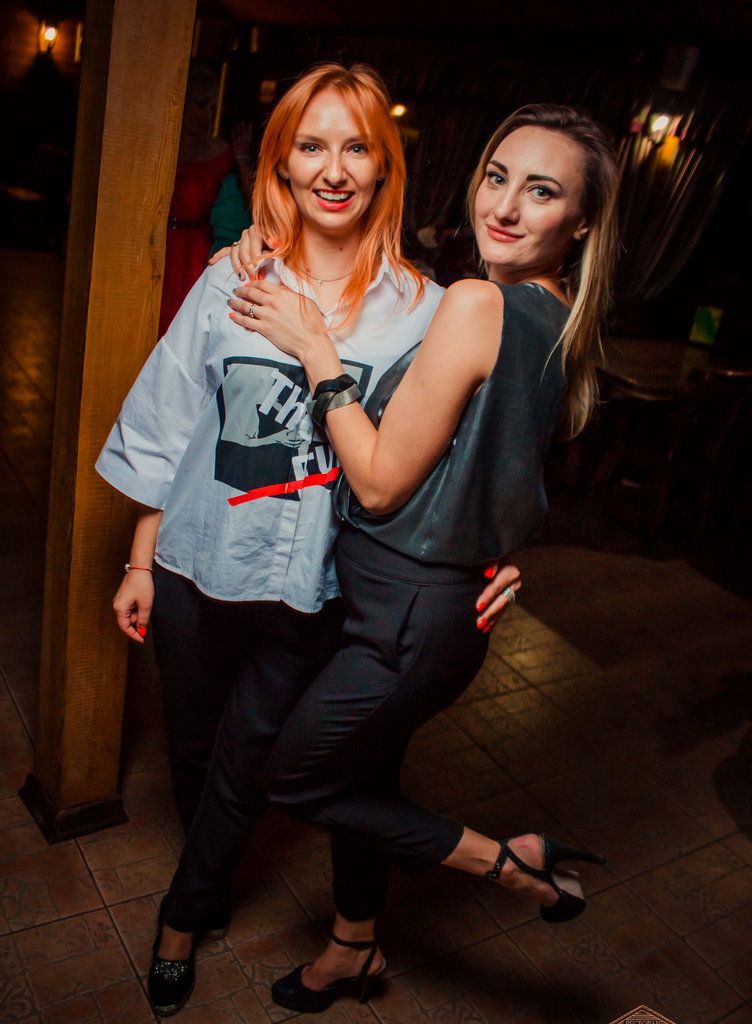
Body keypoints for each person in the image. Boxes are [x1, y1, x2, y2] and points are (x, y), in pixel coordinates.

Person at [95, 62, 518, 1017]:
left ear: (384, 167)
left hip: (312, 587)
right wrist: (139, 559)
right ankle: (203, 884)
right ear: (281, 164)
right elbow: (171, 423)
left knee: (246, 759)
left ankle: (179, 920)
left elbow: (461, 458)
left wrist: (498, 553)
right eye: (311, 146)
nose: (334, 169)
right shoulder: (232, 276)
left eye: (356, 147)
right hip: (194, 565)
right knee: (194, 750)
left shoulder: (426, 310)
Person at [222, 101, 619, 1013]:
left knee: (295, 777)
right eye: (497, 177)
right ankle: (351, 949)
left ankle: (509, 862)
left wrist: (315, 348)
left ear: (581, 221)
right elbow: (501, 472)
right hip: (430, 603)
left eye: (542, 191)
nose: (505, 207)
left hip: (406, 613)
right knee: (366, 776)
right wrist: (492, 552)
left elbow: (376, 485)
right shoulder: (559, 318)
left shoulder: (479, 302)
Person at [158, 63, 252, 337]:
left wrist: (243, 158)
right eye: (200, 105)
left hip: (196, 249)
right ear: (182, 104)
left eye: (211, 107)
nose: (207, 115)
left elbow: (255, 206)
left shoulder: (220, 152)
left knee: (185, 322)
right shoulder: (157, 146)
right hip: (159, 243)